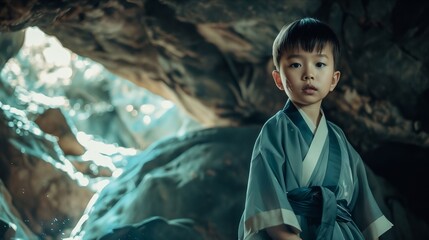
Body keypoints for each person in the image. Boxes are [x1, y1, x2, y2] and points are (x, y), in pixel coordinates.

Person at [238, 17, 393, 240]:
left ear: (333, 79)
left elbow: (361, 202)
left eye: (319, 64)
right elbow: (266, 198)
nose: (308, 74)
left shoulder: (338, 138)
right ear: (278, 79)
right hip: (292, 232)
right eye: (295, 65)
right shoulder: (274, 131)